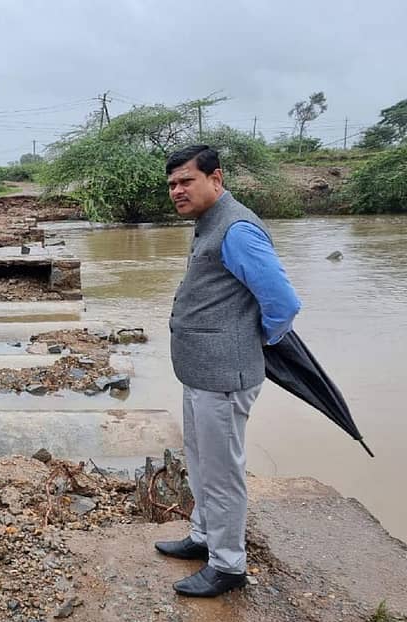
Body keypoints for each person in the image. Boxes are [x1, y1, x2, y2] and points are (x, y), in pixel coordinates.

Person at [155, 145, 301, 597]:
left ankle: (228, 564)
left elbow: (283, 304)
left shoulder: (237, 229)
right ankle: (203, 536)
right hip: (200, 373)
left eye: (187, 181)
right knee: (200, 462)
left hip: (224, 377)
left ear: (215, 179)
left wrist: (254, 341)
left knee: (222, 472)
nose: (178, 191)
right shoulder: (207, 224)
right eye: (173, 185)